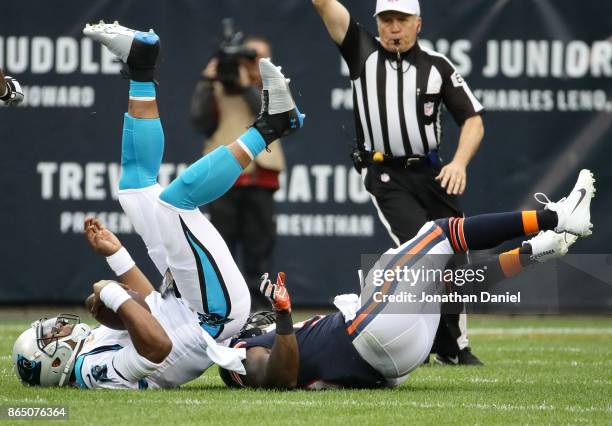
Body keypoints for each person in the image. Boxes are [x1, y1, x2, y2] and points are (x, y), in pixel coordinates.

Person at [11, 21, 304, 389]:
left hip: (184, 303)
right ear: (54, 362)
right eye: (50, 337)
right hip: (211, 315)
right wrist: (114, 294)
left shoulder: (91, 347)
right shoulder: (90, 373)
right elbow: (157, 346)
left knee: (134, 189)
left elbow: (151, 304)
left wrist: (117, 257)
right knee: (173, 205)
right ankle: (273, 125)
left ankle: (141, 67)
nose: (57, 326)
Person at [219, 169, 595, 389]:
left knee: (444, 285)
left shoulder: (284, 338)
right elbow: (276, 377)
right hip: (369, 340)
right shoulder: (240, 353)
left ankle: (536, 251)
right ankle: (557, 217)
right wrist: (283, 317)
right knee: (440, 233)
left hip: (394, 360)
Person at [312, 0, 485, 364]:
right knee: (420, 247)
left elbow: (473, 119)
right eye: (386, 20)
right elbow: (324, 5)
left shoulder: (438, 66)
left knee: (455, 255)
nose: (394, 28)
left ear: (418, 24)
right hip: (386, 173)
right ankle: (424, 341)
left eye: (401, 20)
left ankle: (455, 345)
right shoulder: (362, 53)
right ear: (377, 24)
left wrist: (460, 163)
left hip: (434, 173)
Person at [190, 35, 286, 309]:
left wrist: (247, 87)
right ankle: (222, 308)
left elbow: (272, 118)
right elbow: (199, 122)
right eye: (248, 57)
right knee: (220, 247)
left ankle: (260, 309)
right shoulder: (217, 88)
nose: (253, 63)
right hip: (224, 179)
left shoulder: (274, 87)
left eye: (258, 58)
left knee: (260, 250)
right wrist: (207, 83)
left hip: (261, 179)